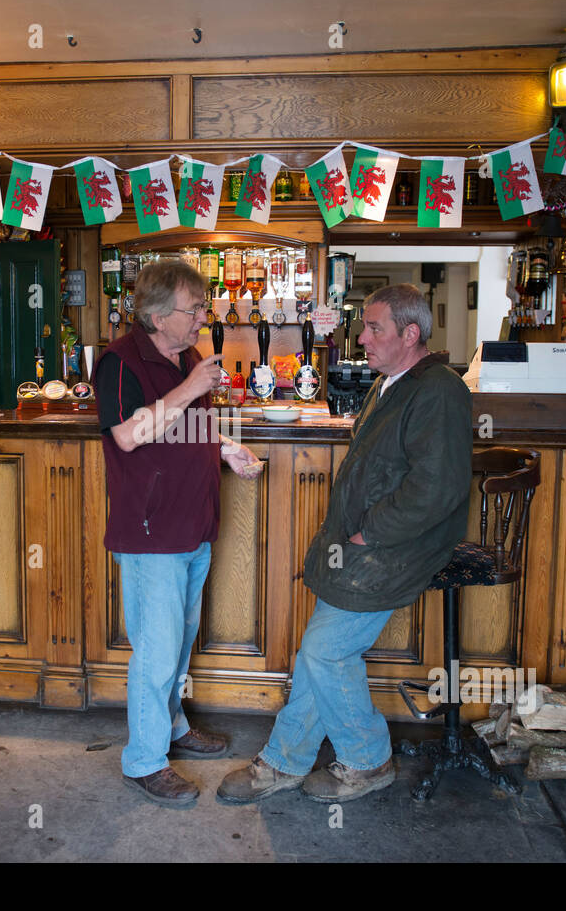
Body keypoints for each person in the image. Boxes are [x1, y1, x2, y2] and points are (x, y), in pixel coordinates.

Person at [217, 283, 472, 805]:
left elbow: (437, 488)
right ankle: (284, 762)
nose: (362, 336)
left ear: (411, 333)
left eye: (374, 327)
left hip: (396, 545)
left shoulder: (439, 389)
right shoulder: (391, 384)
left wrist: (368, 531)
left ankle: (367, 759)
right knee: (319, 653)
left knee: (325, 651)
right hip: (363, 542)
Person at [95, 259, 262, 808]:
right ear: (159, 314)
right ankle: (144, 761)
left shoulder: (185, 356)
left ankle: (171, 726)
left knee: (179, 642)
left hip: (194, 526)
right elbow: (128, 435)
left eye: (202, 307)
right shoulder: (119, 362)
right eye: (194, 309)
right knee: (156, 649)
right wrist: (192, 385)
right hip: (151, 533)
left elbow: (189, 426)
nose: (202, 318)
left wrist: (227, 450)